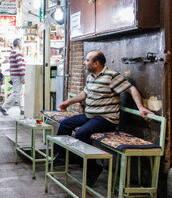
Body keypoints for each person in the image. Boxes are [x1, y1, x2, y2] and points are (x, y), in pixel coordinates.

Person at [54, 50, 153, 186]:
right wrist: (68, 102)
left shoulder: (111, 75)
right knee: (65, 124)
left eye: (87, 60)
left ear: (96, 63)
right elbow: (84, 94)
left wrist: (141, 107)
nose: (84, 62)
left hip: (106, 118)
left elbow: (132, 89)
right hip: (91, 115)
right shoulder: (91, 76)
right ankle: (61, 157)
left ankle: (93, 168)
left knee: (81, 133)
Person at [0, 38, 25, 116]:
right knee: (16, 93)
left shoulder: (12, 53)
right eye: (21, 44)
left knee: (20, 93)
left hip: (14, 75)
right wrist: (23, 77)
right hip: (17, 76)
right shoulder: (17, 53)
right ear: (19, 44)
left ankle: (22, 110)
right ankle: (4, 107)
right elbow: (20, 66)